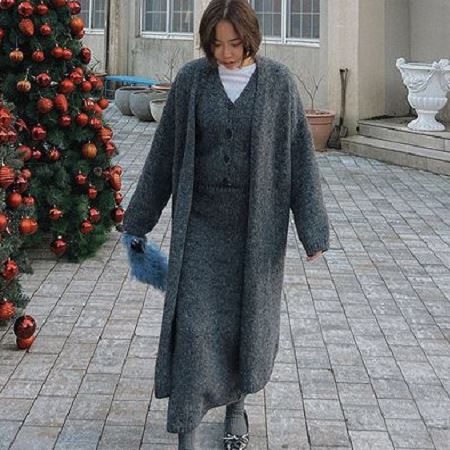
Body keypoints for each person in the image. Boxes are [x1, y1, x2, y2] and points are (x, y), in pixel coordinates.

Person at [122, 0, 330, 448]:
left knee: (246, 327)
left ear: (250, 38)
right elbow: (163, 155)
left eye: (234, 43)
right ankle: (188, 430)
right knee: (194, 327)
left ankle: (236, 406)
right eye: (216, 44)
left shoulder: (278, 85)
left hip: (257, 233)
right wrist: (138, 219)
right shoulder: (192, 82)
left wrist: (311, 230)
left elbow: (300, 162)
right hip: (201, 227)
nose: (226, 53)